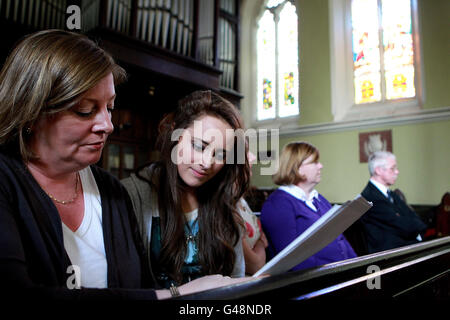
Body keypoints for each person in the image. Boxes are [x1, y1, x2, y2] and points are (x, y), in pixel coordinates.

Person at [0, 30, 249, 300]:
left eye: (110, 108)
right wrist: (176, 294)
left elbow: (139, 286)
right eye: (85, 110)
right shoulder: (7, 182)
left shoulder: (111, 191)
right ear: (31, 111)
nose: (107, 126)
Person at [121, 90, 251, 288]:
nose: (207, 163)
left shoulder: (224, 200)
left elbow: (235, 278)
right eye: (199, 146)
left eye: (220, 154)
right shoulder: (132, 195)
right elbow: (124, 288)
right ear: (176, 134)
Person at [260, 142, 356, 271]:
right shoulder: (278, 205)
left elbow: (340, 240)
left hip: (341, 275)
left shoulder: (319, 199)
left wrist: (357, 267)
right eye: (315, 162)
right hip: (316, 282)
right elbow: (292, 259)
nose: (320, 166)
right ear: (297, 167)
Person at [360, 151, 427, 253]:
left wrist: (415, 226)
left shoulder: (392, 194)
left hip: (404, 251)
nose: (397, 172)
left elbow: (415, 218)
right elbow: (402, 226)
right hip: (388, 259)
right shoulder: (370, 197)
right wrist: (416, 229)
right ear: (378, 170)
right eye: (392, 168)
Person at [238, 151, 268, 275]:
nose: (253, 156)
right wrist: (260, 243)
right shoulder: (225, 206)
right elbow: (255, 265)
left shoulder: (241, 200)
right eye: (245, 150)